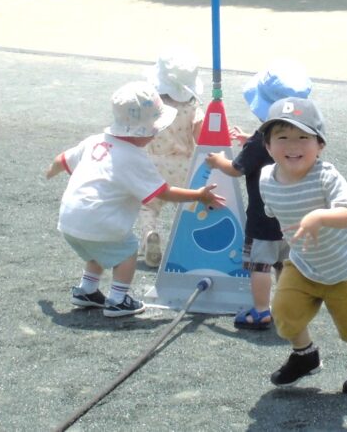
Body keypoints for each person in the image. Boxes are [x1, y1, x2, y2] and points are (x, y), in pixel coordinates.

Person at [45, 81, 225, 317]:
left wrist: (49, 172)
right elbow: (164, 192)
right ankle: (118, 299)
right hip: (100, 224)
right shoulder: (133, 157)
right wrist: (199, 195)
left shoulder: (94, 142)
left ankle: (86, 290)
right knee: (127, 250)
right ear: (147, 131)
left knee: (97, 250)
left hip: (69, 222)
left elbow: (61, 160)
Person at [259, 97, 347, 394]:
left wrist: (319, 215)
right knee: (284, 312)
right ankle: (305, 355)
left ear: (320, 145)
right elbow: (275, 215)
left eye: (304, 137)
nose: (293, 145)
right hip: (303, 264)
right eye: (283, 137)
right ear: (267, 145)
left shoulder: (326, 176)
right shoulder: (266, 178)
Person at [204, 61, 312, 330]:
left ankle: (262, 310)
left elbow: (237, 169)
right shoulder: (299, 138)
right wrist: (247, 141)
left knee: (260, 266)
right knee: (285, 264)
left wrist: (218, 161)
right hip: (291, 215)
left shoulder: (260, 138)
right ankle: (290, 307)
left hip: (262, 219)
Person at [140, 49, 204, 268]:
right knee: (186, 205)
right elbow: (199, 136)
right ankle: (186, 244)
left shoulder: (153, 103)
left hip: (154, 161)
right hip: (184, 164)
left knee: (148, 207)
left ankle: (150, 233)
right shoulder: (193, 105)